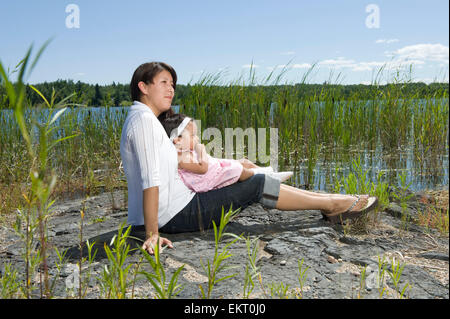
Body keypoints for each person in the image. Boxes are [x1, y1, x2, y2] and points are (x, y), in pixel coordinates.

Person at [120, 62, 378, 255]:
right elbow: (149, 180)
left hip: (177, 208)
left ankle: (331, 202)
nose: (171, 89)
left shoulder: (144, 119)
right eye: (164, 83)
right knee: (255, 185)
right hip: (176, 215)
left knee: (243, 176)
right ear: (143, 87)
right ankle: (333, 204)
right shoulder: (143, 121)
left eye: (173, 84)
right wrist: (153, 234)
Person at [159, 113, 294, 193]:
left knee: (244, 161)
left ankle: (269, 172)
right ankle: (266, 176)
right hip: (207, 178)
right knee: (238, 169)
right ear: (177, 139)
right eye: (193, 135)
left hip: (214, 168)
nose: (197, 138)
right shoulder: (180, 157)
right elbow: (202, 168)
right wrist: (202, 150)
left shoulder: (187, 150)